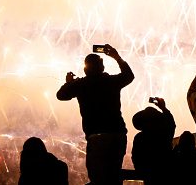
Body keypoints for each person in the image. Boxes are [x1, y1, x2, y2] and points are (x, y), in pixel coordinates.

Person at [56, 44, 134, 185]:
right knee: (114, 177)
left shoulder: (80, 85)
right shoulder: (111, 81)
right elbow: (129, 76)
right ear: (102, 68)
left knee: (98, 178)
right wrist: (117, 57)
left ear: (85, 69)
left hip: (97, 137)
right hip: (118, 134)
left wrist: (68, 83)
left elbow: (61, 95)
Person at [131, 97, 176, 185]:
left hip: (148, 177)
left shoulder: (139, 138)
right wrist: (163, 108)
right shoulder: (165, 135)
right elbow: (171, 124)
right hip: (165, 175)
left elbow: (136, 160)